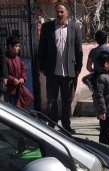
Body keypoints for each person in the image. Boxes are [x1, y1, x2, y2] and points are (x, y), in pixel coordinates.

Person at [37, 2, 84, 134]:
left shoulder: (74, 28)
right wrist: (41, 66)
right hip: (52, 71)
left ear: (67, 13)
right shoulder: (47, 27)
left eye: (61, 12)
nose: (59, 14)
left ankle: (66, 126)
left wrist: (78, 68)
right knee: (51, 100)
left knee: (67, 101)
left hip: (69, 71)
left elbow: (78, 49)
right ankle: (52, 125)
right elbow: (42, 48)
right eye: (57, 12)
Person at [92, 51, 109, 144]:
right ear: (106, 64)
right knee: (105, 131)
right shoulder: (101, 78)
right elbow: (99, 96)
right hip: (106, 112)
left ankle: (106, 145)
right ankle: (103, 147)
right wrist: (102, 111)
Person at [3, 36, 34, 110]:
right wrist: (12, 79)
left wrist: (23, 78)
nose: (19, 48)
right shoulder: (4, 59)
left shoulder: (18, 58)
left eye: (19, 46)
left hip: (19, 89)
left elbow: (24, 69)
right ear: (10, 47)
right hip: (9, 90)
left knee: (27, 100)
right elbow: (4, 73)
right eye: (16, 46)